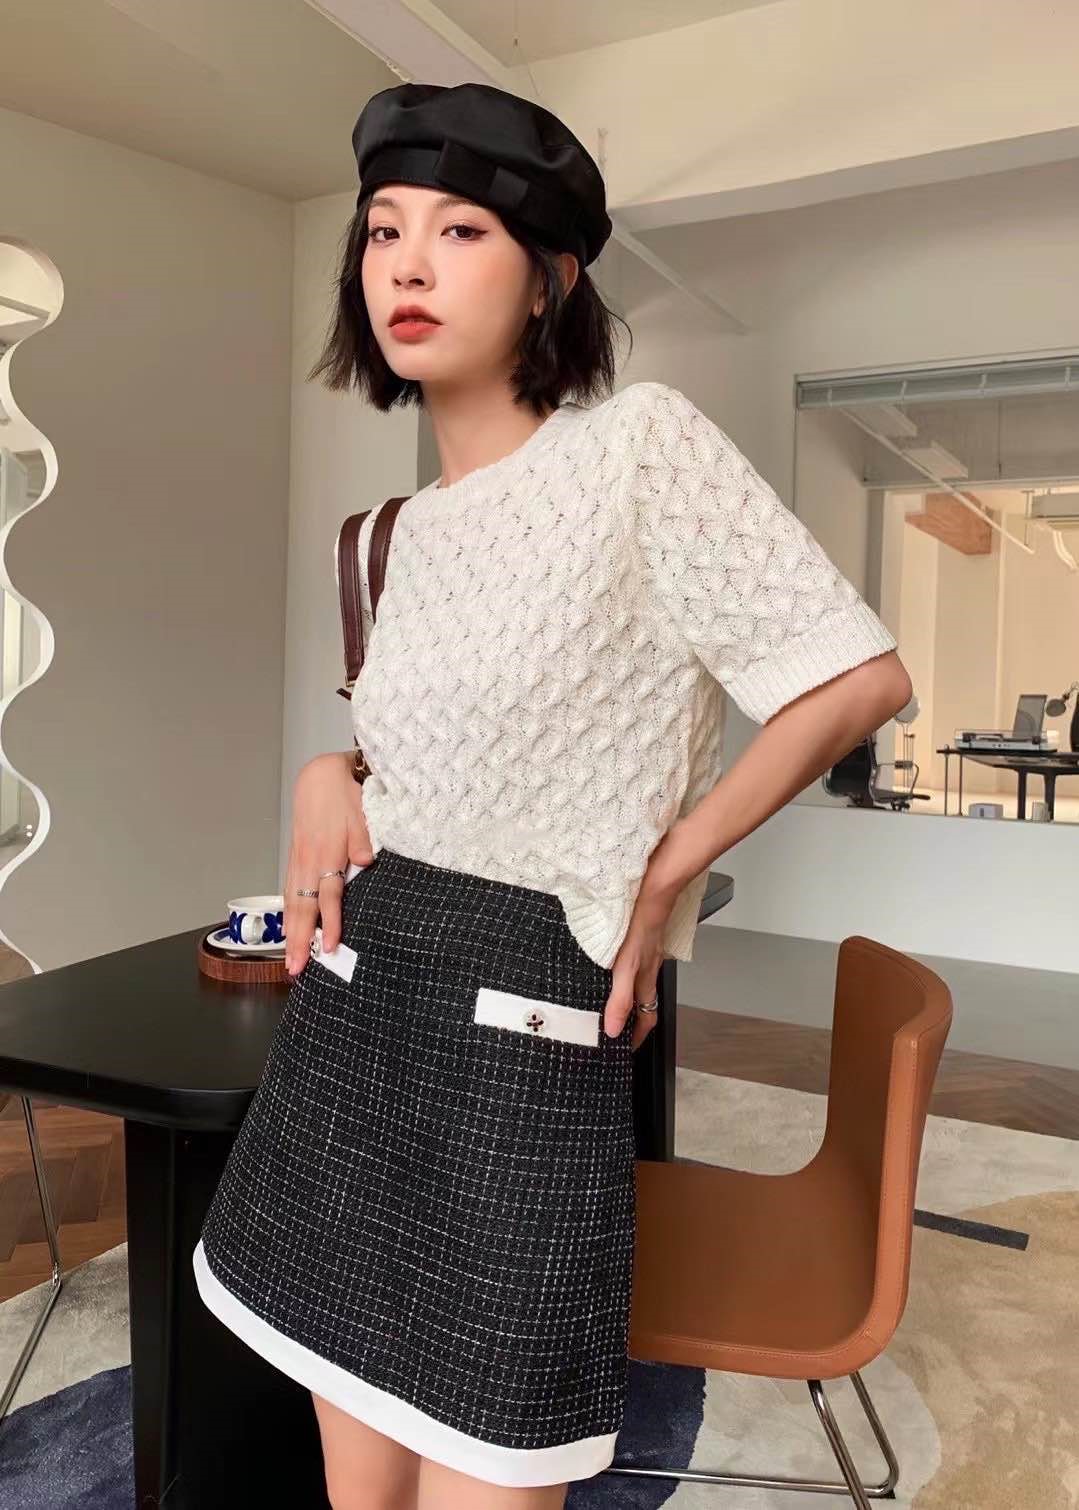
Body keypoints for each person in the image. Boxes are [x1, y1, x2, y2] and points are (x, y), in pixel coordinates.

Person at [191, 81, 913, 1510]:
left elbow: (857, 678)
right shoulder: (389, 537)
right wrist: (332, 768)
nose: (406, 263)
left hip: (525, 1050)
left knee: (494, 1465)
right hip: (353, 1027)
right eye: (383, 231)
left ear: (550, 279)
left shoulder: (636, 449)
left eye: (461, 231)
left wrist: (671, 865)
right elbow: (458, 761)